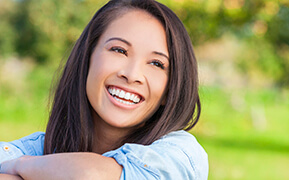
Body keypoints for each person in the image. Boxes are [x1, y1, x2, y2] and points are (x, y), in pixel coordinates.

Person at [0, 0, 208, 179]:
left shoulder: (179, 156)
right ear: (87, 58)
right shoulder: (29, 150)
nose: (132, 74)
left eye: (156, 63)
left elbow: (89, 176)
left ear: (170, 90)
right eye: (119, 50)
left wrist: (22, 167)